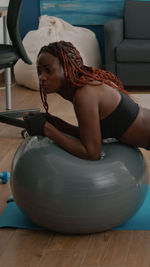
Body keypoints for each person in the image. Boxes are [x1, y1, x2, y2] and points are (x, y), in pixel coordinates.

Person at [23, 41, 150, 161]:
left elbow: (91, 153)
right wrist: (57, 124)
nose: (42, 78)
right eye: (39, 72)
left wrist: (47, 129)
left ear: (67, 69)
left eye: (48, 71)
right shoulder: (83, 89)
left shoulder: (84, 95)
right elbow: (93, 136)